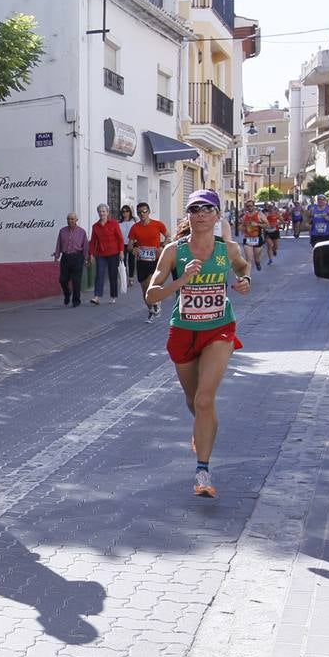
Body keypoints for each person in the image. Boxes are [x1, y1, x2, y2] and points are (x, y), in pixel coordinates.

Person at [143, 190, 252, 499]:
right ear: (188, 216)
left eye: (208, 208)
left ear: (217, 216)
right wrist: (180, 282)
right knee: (194, 402)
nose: (201, 213)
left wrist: (246, 281)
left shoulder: (227, 249)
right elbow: (151, 295)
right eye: (194, 209)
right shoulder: (173, 252)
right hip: (183, 331)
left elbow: (243, 267)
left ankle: (202, 470)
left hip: (219, 328)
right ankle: (203, 431)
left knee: (205, 400)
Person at [127, 202, 169, 322]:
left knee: (151, 284)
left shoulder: (158, 224)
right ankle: (151, 310)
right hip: (142, 261)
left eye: (144, 211)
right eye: (140, 212)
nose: (142, 214)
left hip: (155, 260)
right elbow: (129, 246)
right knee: (145, 290)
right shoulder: (135, 228)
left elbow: (168, 237)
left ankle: (156, 302)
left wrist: (162, 247)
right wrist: (133, 249)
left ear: (149, 212)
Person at [88, 203, 124, 304]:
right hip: (101, 254)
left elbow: (120, 239)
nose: (102, 213)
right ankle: (97, 297)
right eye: (100, 211)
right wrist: (91, 254)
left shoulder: (114, 223)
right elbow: (93, 241)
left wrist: (121, 251)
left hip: (114, 252)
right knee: (99, 274)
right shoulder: (95, 226)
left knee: (113, 275)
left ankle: (113, 296)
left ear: (107, 213)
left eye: (104, 211)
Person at [53, 213, 88, 307]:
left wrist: (86, 258)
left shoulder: (82, 232)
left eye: (72, 219)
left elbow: (85, 246)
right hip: (65, 257)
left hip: (77, 257)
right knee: (62, 280)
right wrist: (56, 255)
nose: (70, 221)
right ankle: (67, 294)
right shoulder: (62, 231)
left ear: (76, 220)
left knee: (76, 281)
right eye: (68, 219)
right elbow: (59, 243)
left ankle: (76, 300)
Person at [238, 198, 269, 271]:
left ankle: (258, 263)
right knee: (248, 259)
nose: (249, 207)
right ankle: (247, 277)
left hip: (257, 238)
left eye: (251, 206)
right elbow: (241, 226)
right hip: (247, 238)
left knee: (257, 257)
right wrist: (241, 227)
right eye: (247, 206)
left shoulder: (259, 214)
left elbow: (267, 225)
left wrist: (257, 224)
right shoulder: (244, 216)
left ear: (254, 206)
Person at [117, 203, 137, 288]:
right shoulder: (119, 223)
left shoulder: (134, 222)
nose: (125, 213)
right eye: (123, 211)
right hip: (122, 244)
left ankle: (131, 278)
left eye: (127, 211)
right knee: (123, 261)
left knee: (131, 261)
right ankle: (124, 278)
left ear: (130, 212)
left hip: (132, 243)